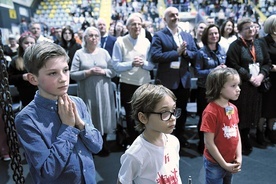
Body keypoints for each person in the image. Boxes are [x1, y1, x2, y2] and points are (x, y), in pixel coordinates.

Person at [14, 41, 103, 183]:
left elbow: (97, 146)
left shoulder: (78, 103)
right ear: (33, 78)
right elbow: (47, 171)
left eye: (65, 70)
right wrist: (67, 127)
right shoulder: (26, 119)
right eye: (53, 73)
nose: (63, 78)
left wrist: (80, 124)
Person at [150, 6, 198, 148]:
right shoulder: (159, 36)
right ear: (165, 19)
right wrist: (176, 53)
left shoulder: (187, 35)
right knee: (165, 111)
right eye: (171, 15)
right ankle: (164, 138)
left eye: (177, 14)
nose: (175, 17)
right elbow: (156, 56)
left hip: (184, 81)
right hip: (167, 82)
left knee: (181, 111)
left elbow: (195, 54)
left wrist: (185, 53)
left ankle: (180, 137)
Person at [117, 83, 182, 183]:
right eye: (164, 112)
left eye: (173, 110)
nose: (173, 118)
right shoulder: (135, 154)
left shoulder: (173, 142)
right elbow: (122, 181)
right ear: (143, 118)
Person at [225, 17, 271, 155]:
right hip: (242, 86)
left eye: (252, 27)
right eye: (247, 28)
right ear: (239, 31)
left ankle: (248, 136)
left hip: (258, 85)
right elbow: (233, 65)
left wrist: (261, 76)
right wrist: (250, 77)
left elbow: (267, 62)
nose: (251, 30)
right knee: (241, 114)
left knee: (254, 113)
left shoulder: (260, 43)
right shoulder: (235, 46)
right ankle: (241, 139)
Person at [70, 26, 117, 156]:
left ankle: (104, 144)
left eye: (96, 35)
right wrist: (88, 72)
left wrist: (104, 71)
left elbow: (113, 71)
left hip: (104, 91)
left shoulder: (104, 53)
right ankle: (92, 144)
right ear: (85, 38)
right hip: (87, 92)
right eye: (90, 35)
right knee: (90, 116)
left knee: (105, 116)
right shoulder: (79, 53)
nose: (94, 38)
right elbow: (72, 74)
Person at [112, 13, 155, 147]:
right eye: (133, 24)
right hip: (127, 84)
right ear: (127, 27)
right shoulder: (120, 42)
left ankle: (146, 142)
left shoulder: (146, 42)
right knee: (131, 116)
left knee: (146, 114)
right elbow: (115, 65)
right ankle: (134, 143)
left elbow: (152, 65)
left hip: (144, 84)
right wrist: (131, 63)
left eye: (139, 24)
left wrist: (143, 63)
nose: (137, 26)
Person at [200, 67, 242, 184]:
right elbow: (209, 143)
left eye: (238, 85)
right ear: (219, 88)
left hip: (231, 161)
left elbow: (236, 132)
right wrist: (224, 164)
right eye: (233, 86)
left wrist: (239, 157)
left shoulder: (233, 108)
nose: (238, 89)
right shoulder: (210, 112)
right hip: (215, 163)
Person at [194, 24, 227, 154]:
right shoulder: (201, 52)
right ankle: (202, 144)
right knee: (205, 118)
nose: (214, 36)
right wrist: (213, 70)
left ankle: (216, 144)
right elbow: (197, 72)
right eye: (211, 34)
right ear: (206, 36)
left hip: (220, 89)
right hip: (205, 89)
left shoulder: (222, 50)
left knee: (219, 118)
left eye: (216, 33)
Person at [259, 15, 276, 145]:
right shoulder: (263, 41)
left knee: (274, 109)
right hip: (268, 79)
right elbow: (262, 60)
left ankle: (270, 131)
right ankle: (260, 132)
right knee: (265, 108)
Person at [8, 31, 38, 107]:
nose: (29, 45)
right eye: (26, 43)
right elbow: (9, 79)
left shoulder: (40, 58)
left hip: (41, 91)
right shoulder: (15, 60)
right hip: (25, 94)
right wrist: (22, 77)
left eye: (32, 43)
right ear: (21, 44)